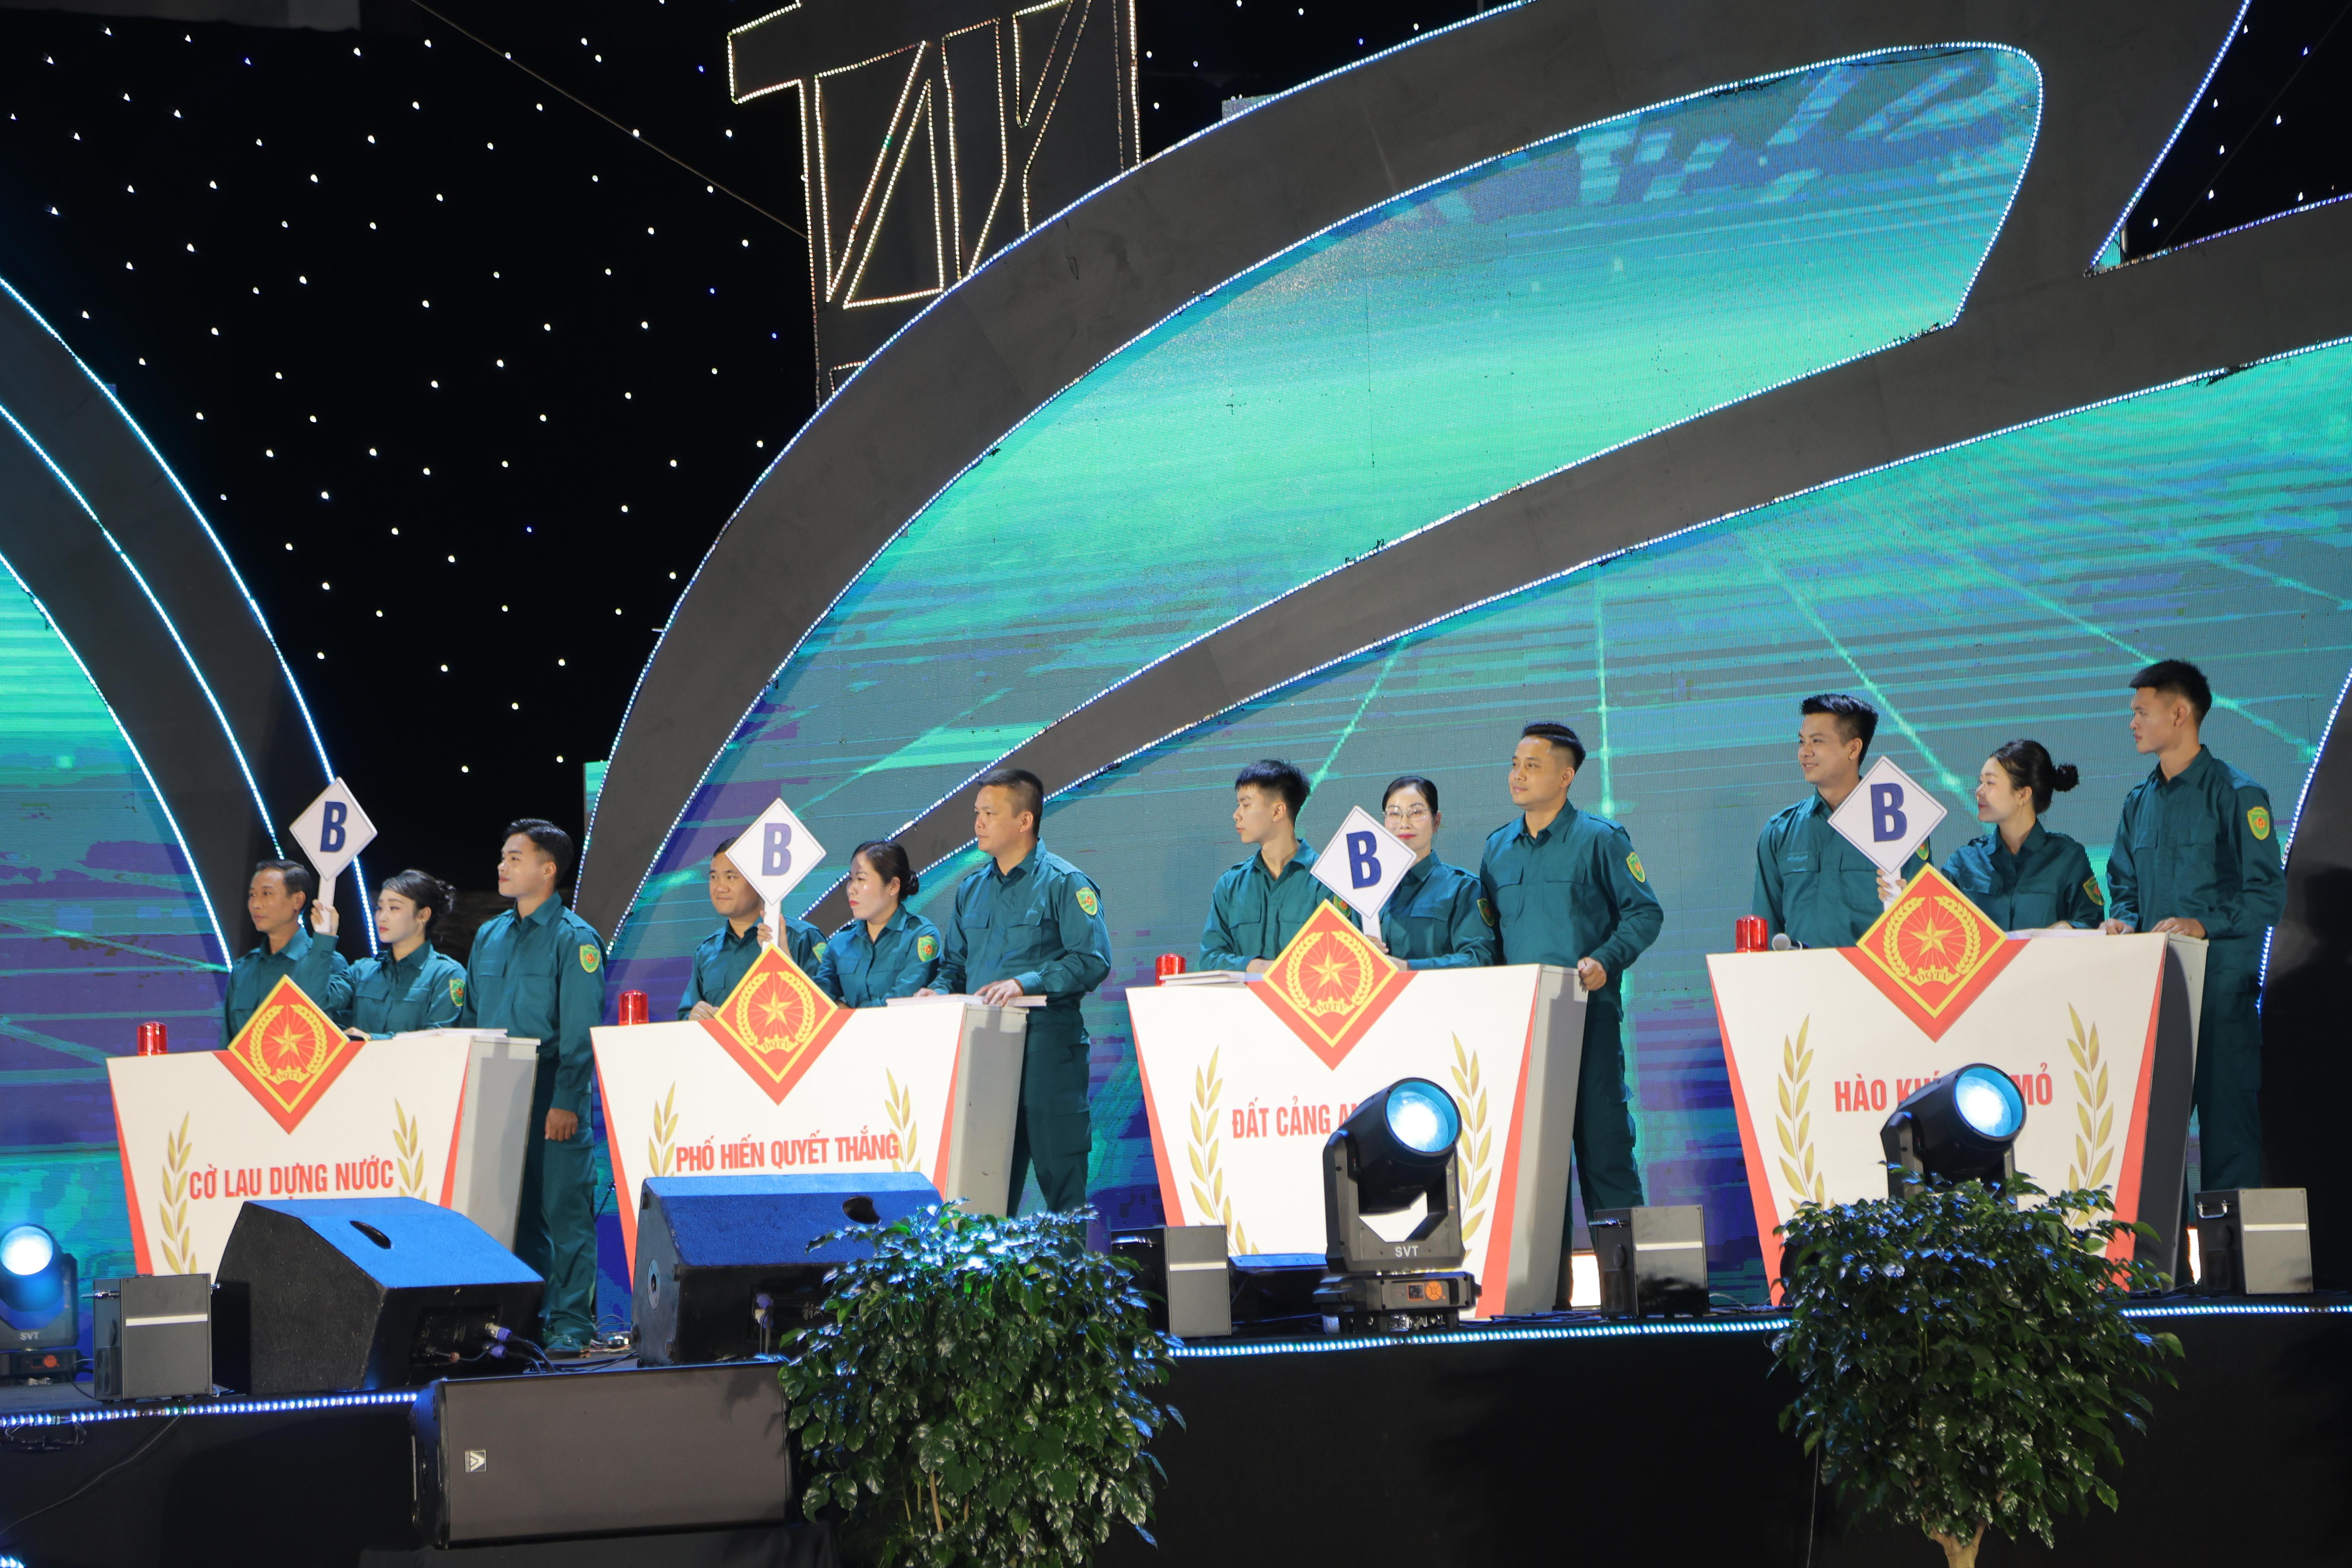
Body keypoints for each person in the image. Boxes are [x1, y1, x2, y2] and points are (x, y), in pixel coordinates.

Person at [2101, 660, 2285, 1194]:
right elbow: (2124, 884)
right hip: (2159, 1001)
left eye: (2142, 712)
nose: (2133, 723)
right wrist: (2125, 922)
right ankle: (2165, 1253)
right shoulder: (2138, 803)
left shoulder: (2236, 793)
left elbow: (2267, 895)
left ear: (2180, 714)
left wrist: (2203, 925)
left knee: (2229, 1143)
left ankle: (2231, 1252)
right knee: (2156, 1151)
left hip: (2221, 1000)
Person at [1479, 723, 1664, 1232]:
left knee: (1605, 1153)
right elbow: (1488, 936)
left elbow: (1645, 913)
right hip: (1523, 1029)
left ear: (1566, 776)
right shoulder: (1497, 849)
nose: (1518, 775)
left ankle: (1630, 1281)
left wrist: (1606, 959)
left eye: (1532, 766)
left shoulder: (1600, 839)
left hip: (1587, 1019)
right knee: (1535, 1172)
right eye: (1515, 764)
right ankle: (1546, 1284)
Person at [919, 768, 1112, 1213]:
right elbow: (956, 967)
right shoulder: (971, 889)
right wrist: (939, 991)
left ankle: (1070, 1262)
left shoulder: (1064, 882)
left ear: (1025, 820)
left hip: (1047, 1049)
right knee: (981, 1189)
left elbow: (1092, 959)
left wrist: (1026, 983)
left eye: (990, 813)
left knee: (1061, 1188)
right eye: (977, 813)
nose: (978, 823)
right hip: (984, 1051)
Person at [457, 819, 606, 1357]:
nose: (502, 866)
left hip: (551, 1084)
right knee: (509, 1213)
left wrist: (566, 1101)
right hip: (498, 1085)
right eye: (503, 856)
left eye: (515, 858)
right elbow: (471, 1018)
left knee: (564, 1211)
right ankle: (522, 1320)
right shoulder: (489, 936)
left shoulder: (575, 939)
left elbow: (580, 1032)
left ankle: (571, 1324)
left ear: (548, 869)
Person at [1753, 693, 1931, 949]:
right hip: (1800, 973)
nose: (1804, 752)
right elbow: (1766, 933)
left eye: (1817, 741)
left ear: (1853, 749)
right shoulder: (1780, 831)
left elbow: (1923, 926)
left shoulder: (1899, 827)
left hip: (1872, 973)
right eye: (1802, 742)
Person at [1941, 742, 2105, 931]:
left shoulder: (2068, 858)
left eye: (1990, 783)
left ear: (2023, 795)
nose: (1979, 792)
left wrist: (2069, 928)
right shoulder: (1964, 861)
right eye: (1981, 782)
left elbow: (2092, 922)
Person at [1200, 759, 1341, 972]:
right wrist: (1257, 967)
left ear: (1278, 811)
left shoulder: (1328, 880)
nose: (1236, 815)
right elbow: (1211, 958)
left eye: (1246, 805)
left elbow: (1339, 955)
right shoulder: (1230, 885)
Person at [678, 847, 822, 1020]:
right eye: (714, 878)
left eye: (731, 877)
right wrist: (693, 1017)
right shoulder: (707, 952)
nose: (720, 888)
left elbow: (829, 1010)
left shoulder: (801, 938)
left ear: (758, 883)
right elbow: (686, 1016)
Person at [1373, 775, 1498, 968]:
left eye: (1416, 812)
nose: (1404, 823)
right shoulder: (1368, 890)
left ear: (1436, 821)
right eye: (1394, 814)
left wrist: (1408, 968)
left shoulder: (1462, 888)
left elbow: (1478, 958)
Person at [327, 870, 468, 1037]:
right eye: (380, 908)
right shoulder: (362, 971)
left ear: (423, 915)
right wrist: (325, 938)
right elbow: (317, 1004)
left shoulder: (447, 974)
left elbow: (439, 1039)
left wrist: (372, 1040)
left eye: (394, 908)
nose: (382, 917)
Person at [223, 859, 348, 1039]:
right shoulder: (243, 969)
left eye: (267, 894)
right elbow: (228, 1044)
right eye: (252, 895)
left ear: (298, 901)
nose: (256, 904)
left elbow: (334, 1035)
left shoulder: (329, 961)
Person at [814, 840, 942, 1006]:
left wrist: (847, 1014)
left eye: (861, 879)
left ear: (893, 886)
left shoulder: (920, 935)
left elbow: (902, 1001)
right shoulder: (840, 943)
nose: (851, 889)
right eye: (851, 879)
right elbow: (817, 998)